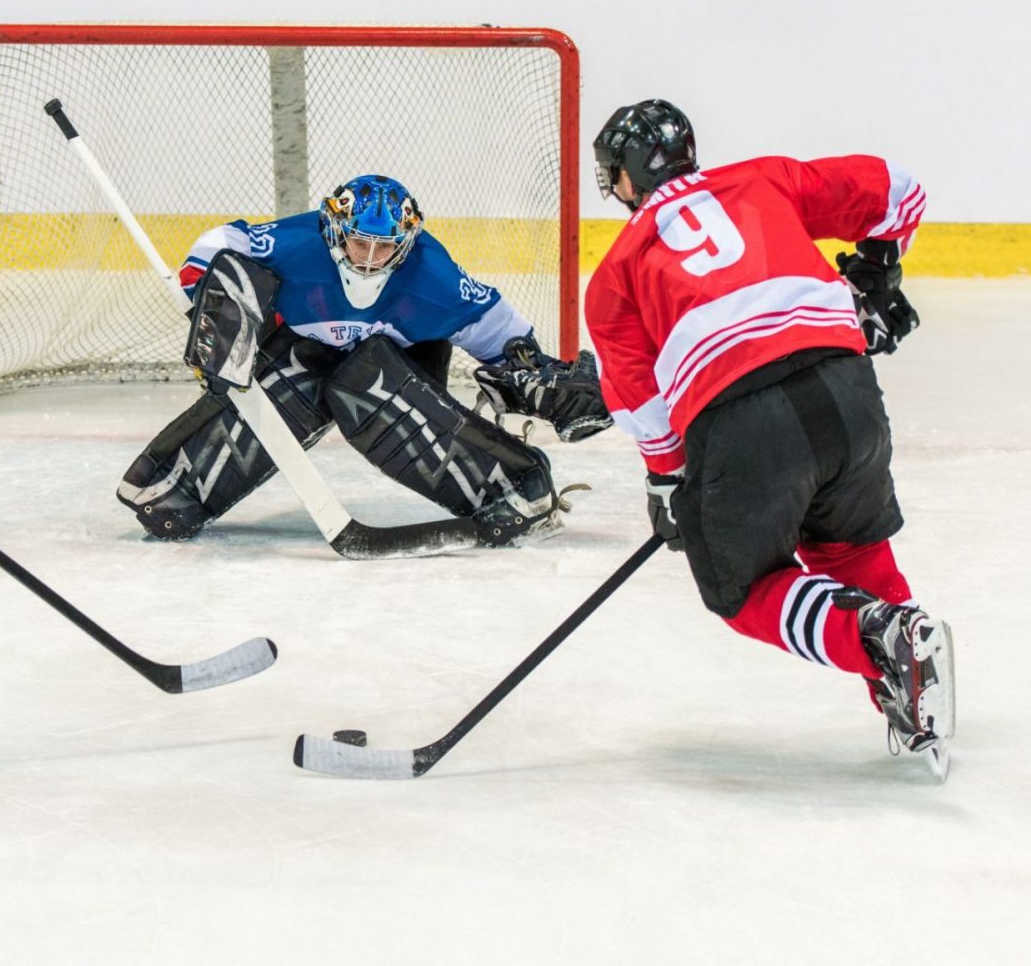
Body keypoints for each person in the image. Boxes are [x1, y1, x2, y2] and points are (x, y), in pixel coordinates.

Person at [583, 98, 955, 778]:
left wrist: (669, 482)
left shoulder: (616, 273)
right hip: (848, 392)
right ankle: (912, 680)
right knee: (852, 547)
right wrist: (875, 275)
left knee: (742, 588)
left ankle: (872, 636)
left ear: (626, 180)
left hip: (743, 417)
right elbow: (900, 191)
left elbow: (643, 403)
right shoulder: (764, 180)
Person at [117, 174, 613, 547]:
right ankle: (175, 486)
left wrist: (530, 369)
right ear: (334, 230)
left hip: (402, 368)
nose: (370, 258)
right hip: (307, 352)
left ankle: (510, 487)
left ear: (407, 242)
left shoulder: (432, 276)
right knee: (300, 375)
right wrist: (217, 306)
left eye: (386, 247)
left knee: (363, 382)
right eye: (360, 243)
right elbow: (219, 246)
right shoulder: (296, 245)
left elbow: (503, 333)